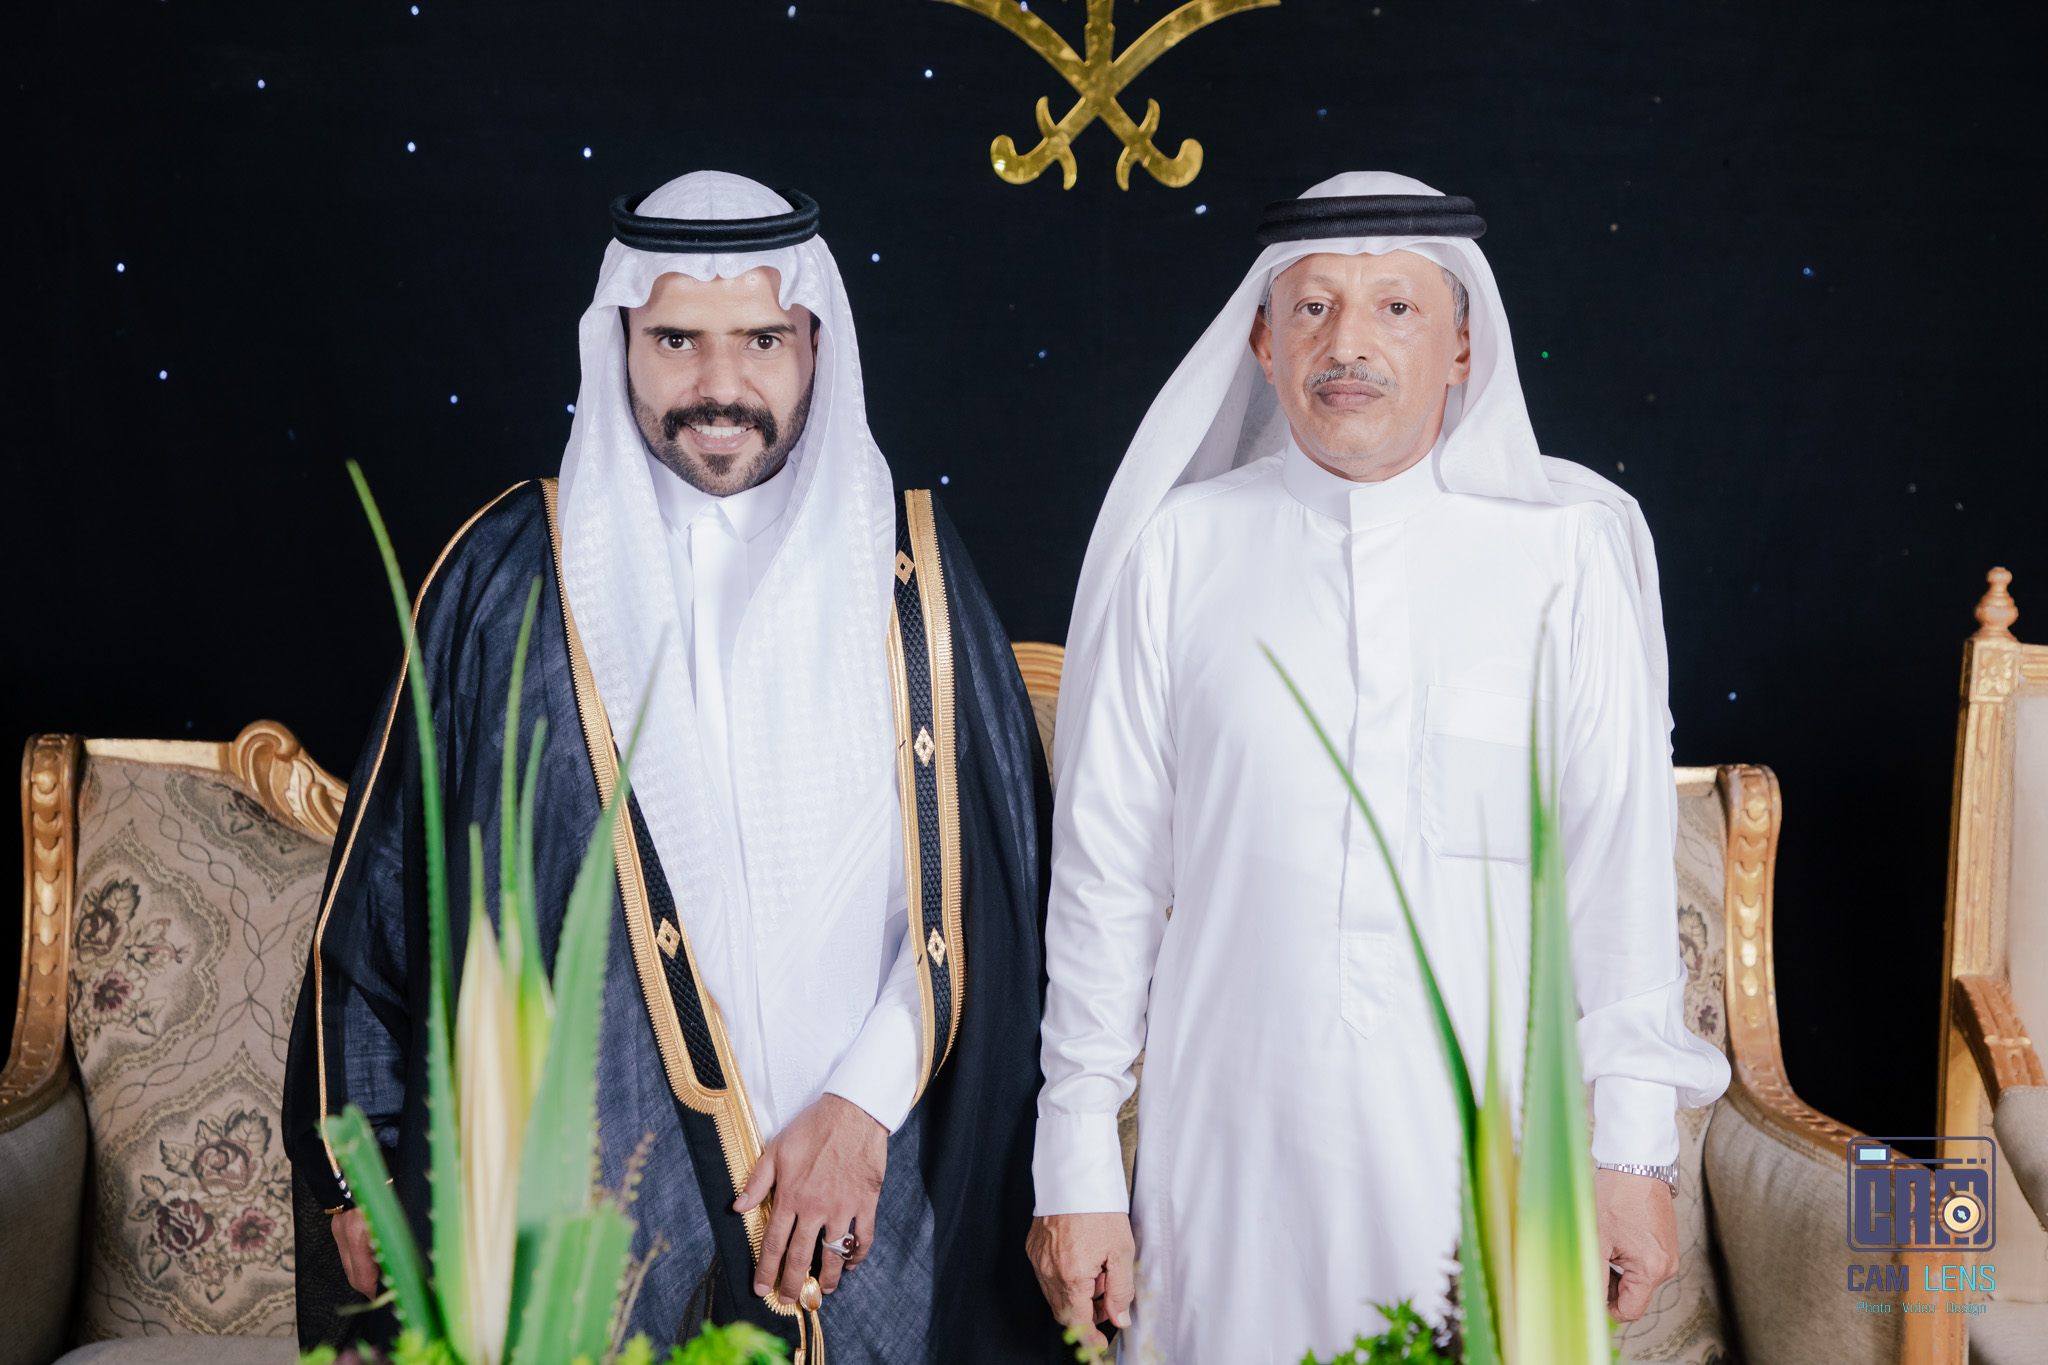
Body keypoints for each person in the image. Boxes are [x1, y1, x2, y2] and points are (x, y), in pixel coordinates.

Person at [283, 170, 1065, 1362]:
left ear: (817, 347)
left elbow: (991, 902)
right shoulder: (508, 577)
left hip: (873, 1188)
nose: (719, 385)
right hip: (581, 1217)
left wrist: (859, 1111)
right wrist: (364, 1172)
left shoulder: (909, 572)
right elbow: (381, 896)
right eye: (676, 341)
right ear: (619, 348)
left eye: (762, 339)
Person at [1027, 172, 1732, 1362]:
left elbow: (1614, 877)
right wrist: (1076, 1162)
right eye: (1311, 307)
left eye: (1395, 308)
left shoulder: (1564, 556)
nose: (1345, 344)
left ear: (1462, 347)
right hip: (1229, 1151)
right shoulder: (1179, 551)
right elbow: (1105, 881)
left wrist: (1632, 1155)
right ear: (1262, 344)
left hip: (1492, 1153)